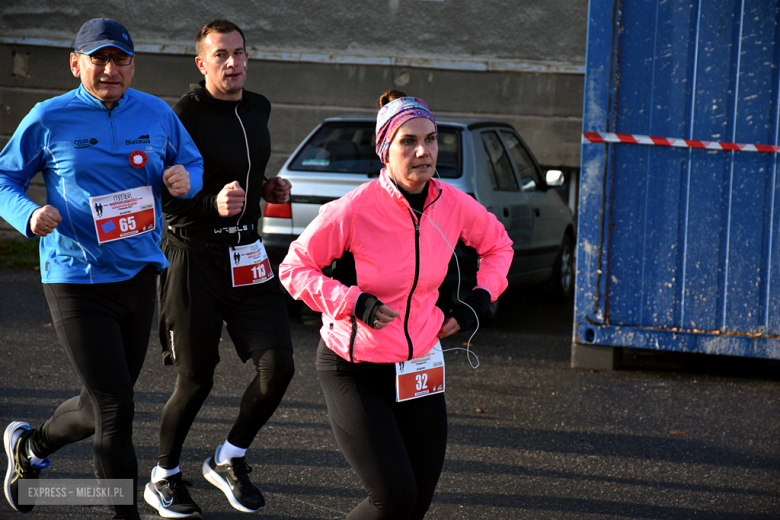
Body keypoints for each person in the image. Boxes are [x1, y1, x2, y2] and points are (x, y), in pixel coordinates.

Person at [0, 18, 203, 520]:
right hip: (75, 279)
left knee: (100, 405)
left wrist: (185, 179)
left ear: (133, 65)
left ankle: (30, 447)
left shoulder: (157, 113)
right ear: (76, 64)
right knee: (116, 409)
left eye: (120, 59)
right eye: (99, 59)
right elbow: (4, 176)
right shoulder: (49, 117)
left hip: (137, 276)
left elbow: (193, 164)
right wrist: (28, 214)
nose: (110, 69)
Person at [279, 91, 513, 519]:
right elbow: (294, 268)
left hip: (419, 366)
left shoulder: (454, 204)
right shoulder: (353, 210)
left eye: (431, 138)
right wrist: (355, 302)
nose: (423, 151)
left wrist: (475, 304)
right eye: (408, 141)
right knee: (395, 498)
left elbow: (499, 246)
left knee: (416, 503)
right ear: (384, 149)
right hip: (354, 367)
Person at [143, 19, 295, 518]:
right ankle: (162, 475)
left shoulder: (259, 106)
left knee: (279, 368)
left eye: (239, 53)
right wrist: (213, 204)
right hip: (195, 259)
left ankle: (228, 457)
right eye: (221, 55)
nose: (233, 63)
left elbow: (246, 171)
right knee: (196, 379)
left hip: (247, 255)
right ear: (201, 63)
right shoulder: (182, 115)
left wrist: (266, 188)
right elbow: (167, 203)